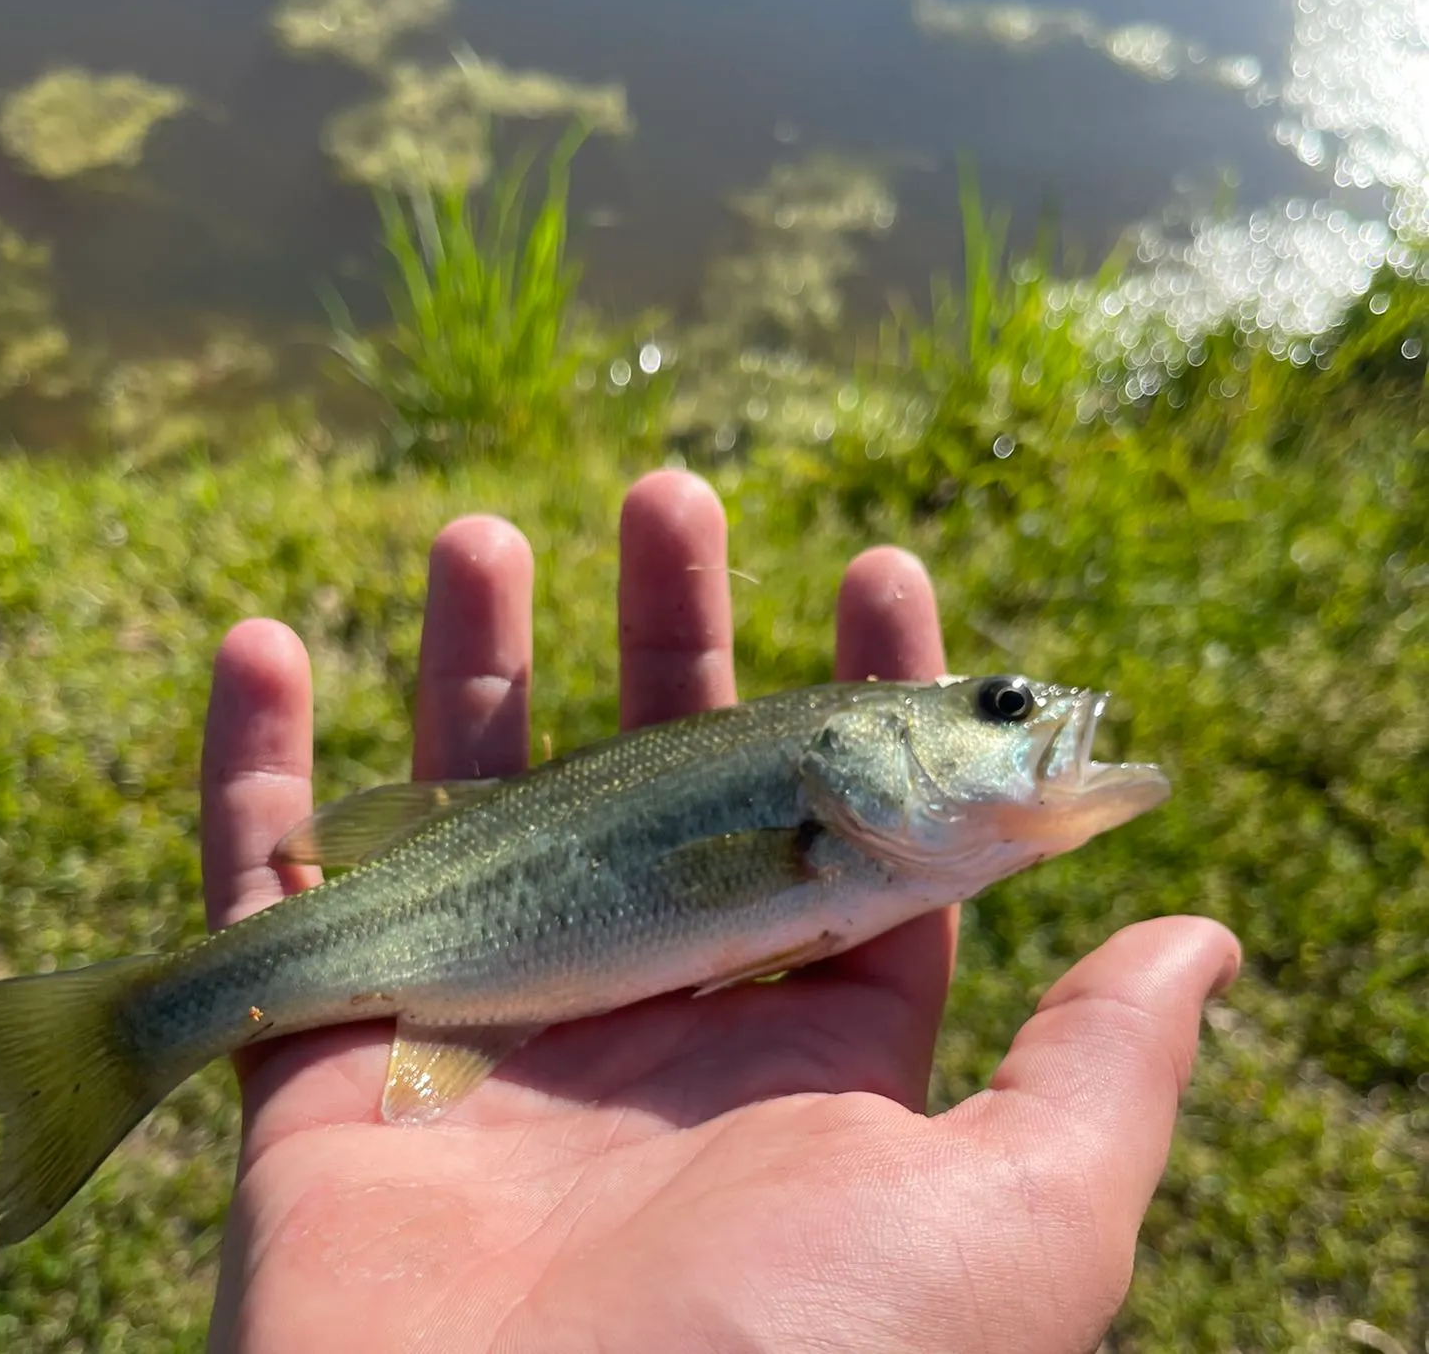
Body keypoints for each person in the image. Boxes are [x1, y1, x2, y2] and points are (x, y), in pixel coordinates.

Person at [199, 469, 1240, 1353]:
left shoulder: (863, 848)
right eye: (1004, 708)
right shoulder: (833, 833)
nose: (1028, 721)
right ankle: (156, 1015)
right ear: (858, 747)